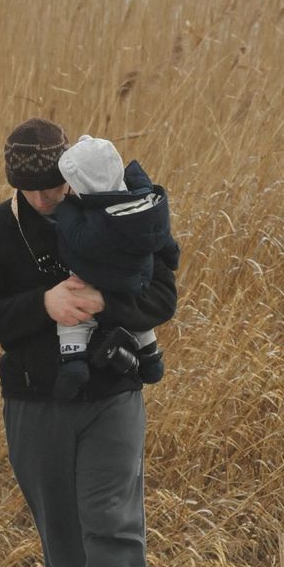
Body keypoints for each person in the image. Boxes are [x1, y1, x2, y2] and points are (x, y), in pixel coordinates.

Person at [0, 117, 178, 567]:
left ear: (69, 173)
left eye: (51, 184)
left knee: (112, 520)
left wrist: (106, 297)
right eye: (28, 189)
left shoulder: (115, 216)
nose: (42, 198)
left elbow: (161, 296)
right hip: (34, 401)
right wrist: (43, 304)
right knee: (61, 528)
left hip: (112, 393)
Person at [52, 133, 180, 402]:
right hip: (138, 279)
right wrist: (172, 255)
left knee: (75, 309)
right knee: (134, 315)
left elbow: (75, 234)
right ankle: (150, 357)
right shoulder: (144, 209)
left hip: (101, 279)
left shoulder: (95, 226)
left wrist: (65, 208)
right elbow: (164, 238)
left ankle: (73, 360)